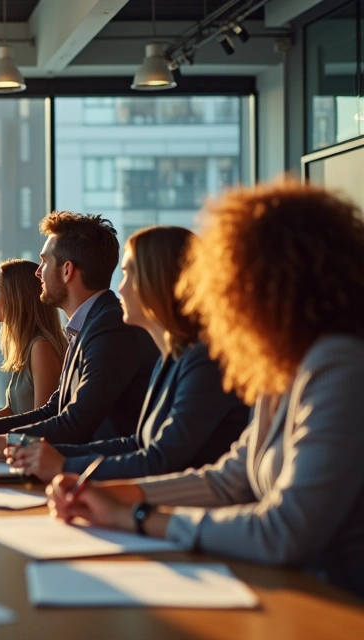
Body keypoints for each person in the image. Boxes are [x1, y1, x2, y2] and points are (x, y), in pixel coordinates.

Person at [48, 182, 364, 598]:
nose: (217, 295)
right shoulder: (283, 367)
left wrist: (138, 516)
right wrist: (123, 492)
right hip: (285, 588)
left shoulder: (338, 364)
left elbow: (285, 531)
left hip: (332, 604)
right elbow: (229, 480)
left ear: (276, 282)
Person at [9, 226, 248, 483]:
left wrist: (64, 464)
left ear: (158, 282)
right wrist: (41, 455)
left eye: (128, 275)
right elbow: (138, 443)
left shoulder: (205, 361)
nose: (120, 290)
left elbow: (160, 460)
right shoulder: (172, 358)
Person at [0, 212, 158, 460]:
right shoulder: (88, 325)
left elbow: (75, 423)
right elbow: (53, 410)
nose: (38, 272)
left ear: (67, 271)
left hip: (101, 475)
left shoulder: (111, 327)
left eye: (44, 262)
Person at [0, 259, 65, 421]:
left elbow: (41, 421)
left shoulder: (41, 346)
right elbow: (13, 412)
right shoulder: (26, 346)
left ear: (19, 297)